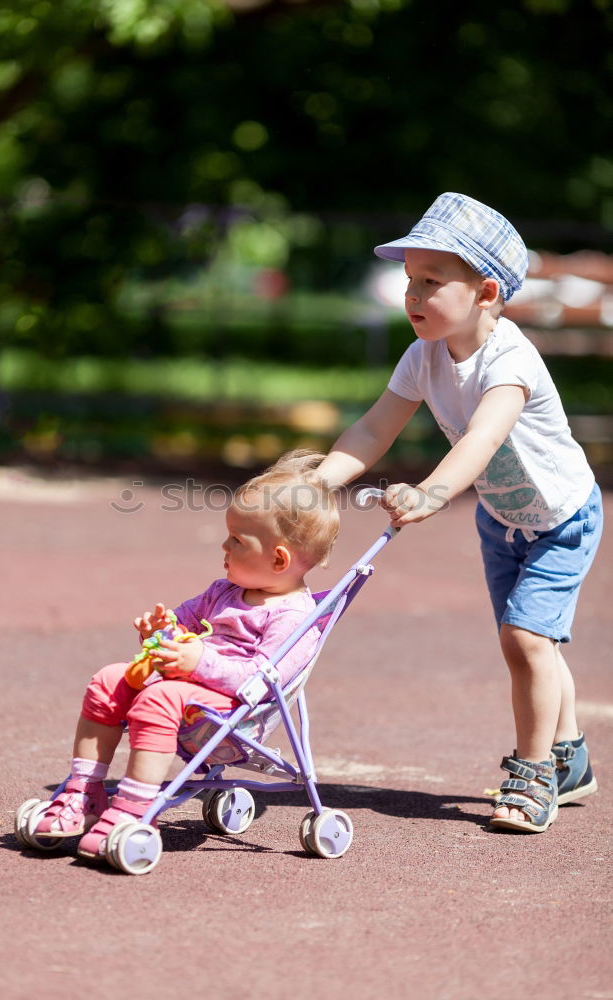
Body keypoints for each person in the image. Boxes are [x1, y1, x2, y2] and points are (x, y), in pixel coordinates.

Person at [319, 192, 603, 834]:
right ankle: (572, 759)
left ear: (486, 293)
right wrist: (322, 479)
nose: (413, 296)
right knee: (533, 642)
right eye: (409, 281)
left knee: (526, 638)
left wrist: (429, 493)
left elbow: (481, 438)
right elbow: (373, 428)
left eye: (431, 282)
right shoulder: (423, 355)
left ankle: (533, 775)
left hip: (563, 518)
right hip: (502, 519)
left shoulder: (510, 360)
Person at [34, 450, 339, 858]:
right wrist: (162, 631)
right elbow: (184, 621)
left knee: (161, 697)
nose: (224, 545)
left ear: (278, 558)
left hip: (234, 719)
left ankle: (133, 810)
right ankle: (84, 792)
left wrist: (198, 662)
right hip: (189, 694)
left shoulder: (295, 618)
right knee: (110, 678)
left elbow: (263, 679)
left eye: (236, 539)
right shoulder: (222, 592)